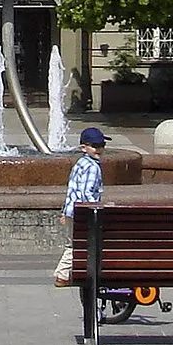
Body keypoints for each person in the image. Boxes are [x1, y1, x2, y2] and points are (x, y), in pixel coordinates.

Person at [52, 125, 109, 297]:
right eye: (95, 146)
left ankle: (68, 273)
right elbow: (86, 192)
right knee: (76, 245)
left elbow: (71, 189)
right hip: (83, 213)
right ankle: (62, 275)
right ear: (84, 147)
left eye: (101, 146)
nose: (99, 149)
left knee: (73, 243)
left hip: (72, 212)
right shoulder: (92, 167)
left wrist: (64, 212)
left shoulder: (80, 163)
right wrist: (96, 210)